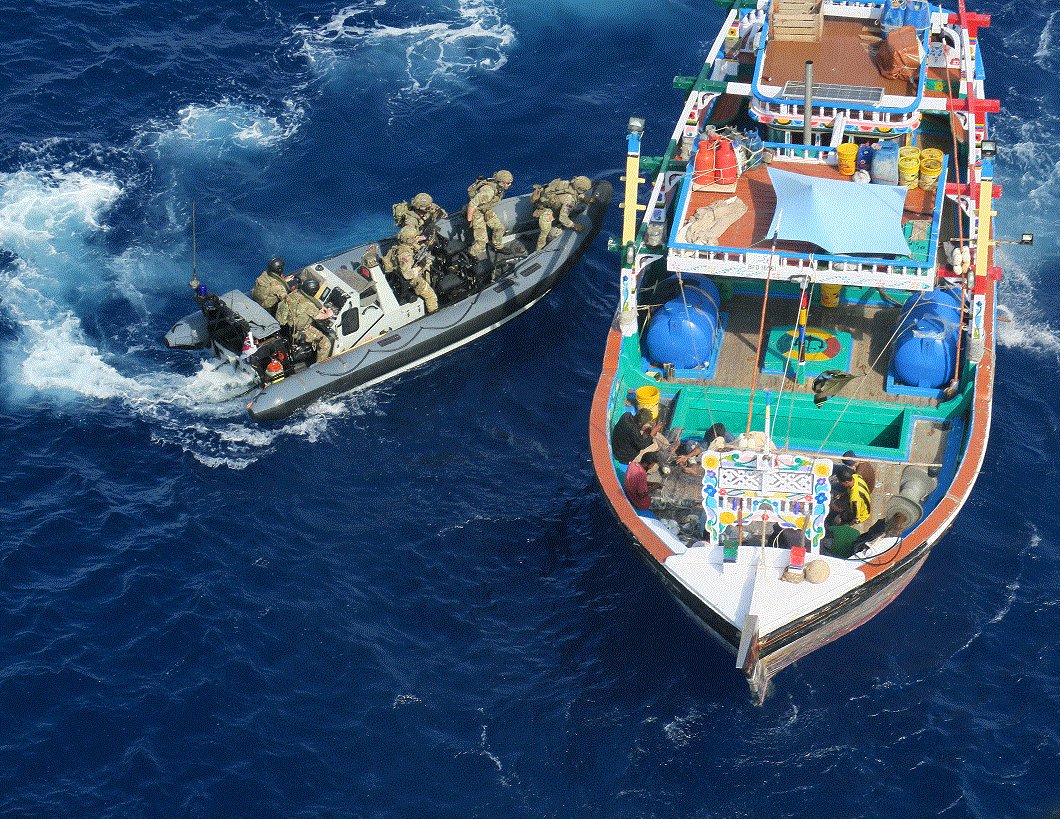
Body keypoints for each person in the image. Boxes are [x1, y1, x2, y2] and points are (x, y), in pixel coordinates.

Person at [276, 276, 334, 364]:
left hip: (289, 325)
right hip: (301, 331)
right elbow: (320, 316)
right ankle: (319, 365)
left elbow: (309, 299)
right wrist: (329, 314)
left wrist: (320, 307)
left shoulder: (294, 294)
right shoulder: (308, 305)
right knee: (325, 344)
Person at [382, 226, 439, 314]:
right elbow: (408, 275)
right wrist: (421, 265)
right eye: (415, 237)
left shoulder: (400, 244)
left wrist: (425, 238)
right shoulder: (404, 255)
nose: (417, 238)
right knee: (430, 295)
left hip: (400, 272)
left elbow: (416, 244)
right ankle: (433, 313)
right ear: (409, 240)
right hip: (411, 279)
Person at [532, 175, 591, 251]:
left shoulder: (566, 183)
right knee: (544, 232)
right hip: (545, 211)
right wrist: (574, 226)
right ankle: (539, 250)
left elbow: (572, 193)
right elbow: (562, 218)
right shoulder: (569, 200)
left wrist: (583, 197)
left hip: (545, 202)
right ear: (580, 189)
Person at [466, 170, 513, 261]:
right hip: (477, 212)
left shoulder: (498, 187)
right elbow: (472, 204)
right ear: (501, 183)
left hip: (486, 209)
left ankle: (497, 245)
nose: (509, 185)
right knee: (481, 242)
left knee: (499, 228)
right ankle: (470, 256)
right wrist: (470, 219)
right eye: (508, 183)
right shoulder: (488, 192)